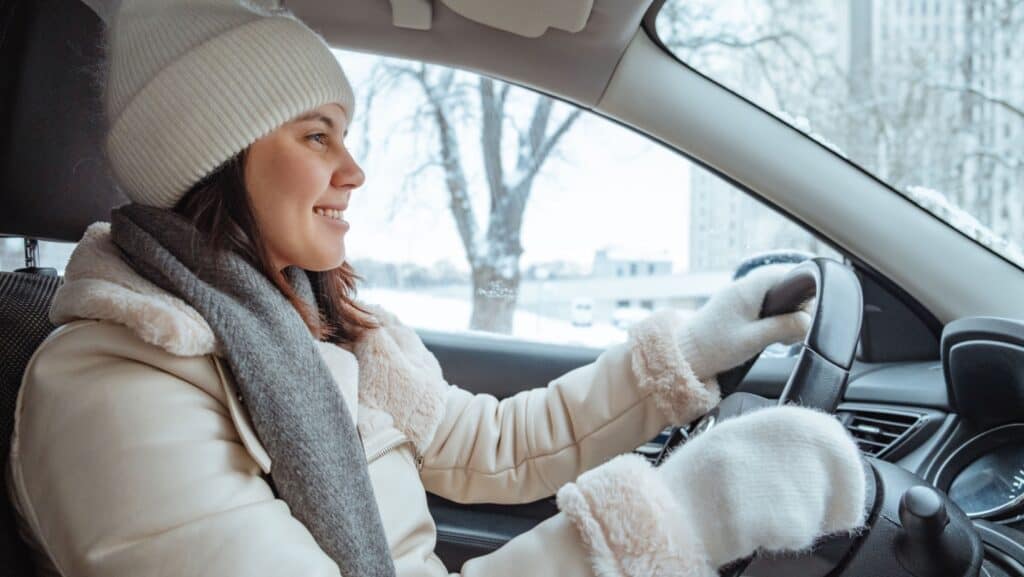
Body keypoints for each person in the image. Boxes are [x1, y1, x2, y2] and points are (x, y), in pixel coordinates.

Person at [6, 1, 867, 576]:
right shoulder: (110, 389)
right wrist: (675, 522)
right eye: (318, 136)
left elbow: (486, 442)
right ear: (214, 152)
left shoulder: (316, 321)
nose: (355, 170)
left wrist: (681, 356)